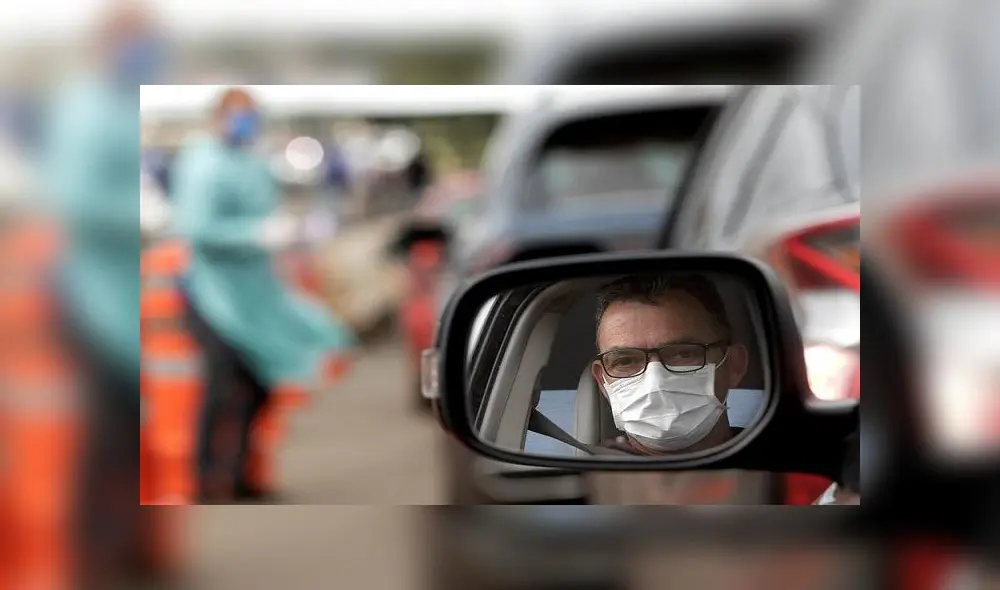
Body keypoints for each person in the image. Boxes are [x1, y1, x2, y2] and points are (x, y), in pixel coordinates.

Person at [171, 86, 355, 502]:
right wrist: (255, 234)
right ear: (218, 118)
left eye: (250, 116)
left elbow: (269, 213)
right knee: (221, 387)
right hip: (211, 295)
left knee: (260, 384)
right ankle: (203, 480)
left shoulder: (253, 163)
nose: (245, 124)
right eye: (238, 116)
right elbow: (196, 230)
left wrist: (289, 231)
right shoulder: (203, 163)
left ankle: (241, 474)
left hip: (255, 293)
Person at [42, 2, 166, 585]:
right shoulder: (86, 107)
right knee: (104, 436)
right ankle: (93, 559)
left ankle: (127, 549)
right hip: (90, 297)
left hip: (120, 296)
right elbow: (77, 202)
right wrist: (141, 213)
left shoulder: (121, 105)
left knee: (129, 431)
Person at [591, 274, 750, 455]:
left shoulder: (775, 462)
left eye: (683, 354)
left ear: (734, 365)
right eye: (625, 361)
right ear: (602, 382)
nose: (655, 382)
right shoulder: (589, 471)